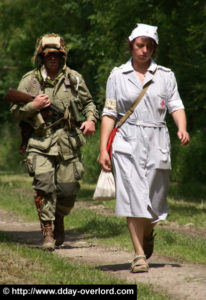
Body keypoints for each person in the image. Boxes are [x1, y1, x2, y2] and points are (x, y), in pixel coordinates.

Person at [98, 24, 190, 273]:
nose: (144, 50)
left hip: (157, 139)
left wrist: (181, 127)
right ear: (131, 45)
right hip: (126, 141)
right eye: (140, 45)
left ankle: (148, 231)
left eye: (149, 46)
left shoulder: (165, 75)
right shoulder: (118, 75)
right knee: (131, 196)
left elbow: (176, 104)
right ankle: (138, 254)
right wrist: (103, 149)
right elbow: (109, 112)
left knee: (154, 201)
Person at [10, 33, 99, 250]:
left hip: (68, 141)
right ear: (41, 56)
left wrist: (90, 120)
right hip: (40, 142)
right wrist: (34, 105)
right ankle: (48, 231)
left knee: (67, 191)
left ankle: (59, 217)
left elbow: (89, 103)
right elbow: (15, 111)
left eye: (56, 54)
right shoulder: (30, 80)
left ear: (62, 56)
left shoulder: (74, 79)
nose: (52, 58)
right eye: (48, 54)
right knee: (44, 186)